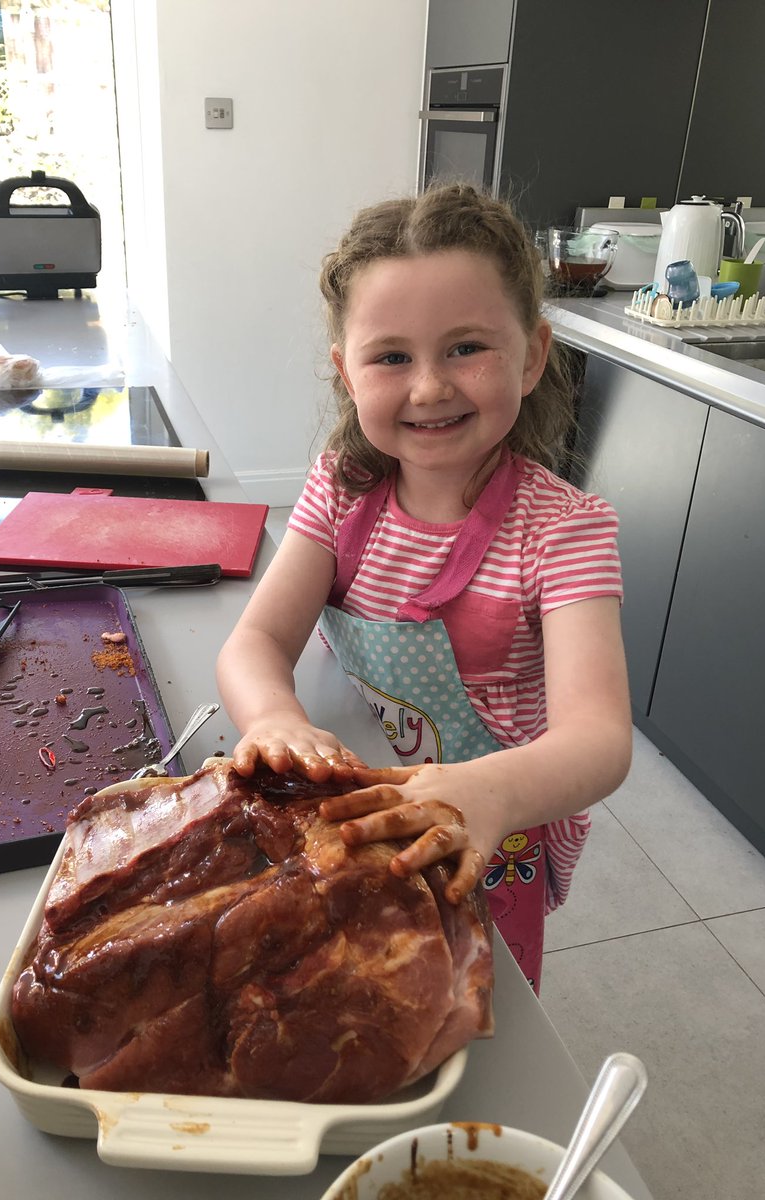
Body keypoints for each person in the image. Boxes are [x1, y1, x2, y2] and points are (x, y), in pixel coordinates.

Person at [216, 182, 632, 991]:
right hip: (350, 809)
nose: (431, 386)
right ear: (346, 372)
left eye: (467, 348)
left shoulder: (565, 531)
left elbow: (599, 740)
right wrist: (274, 718)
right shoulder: (340, 488)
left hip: (489, 829)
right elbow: (258, 641)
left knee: (472, 1000)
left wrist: (487, 791)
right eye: (392, 356)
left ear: (534, 355)